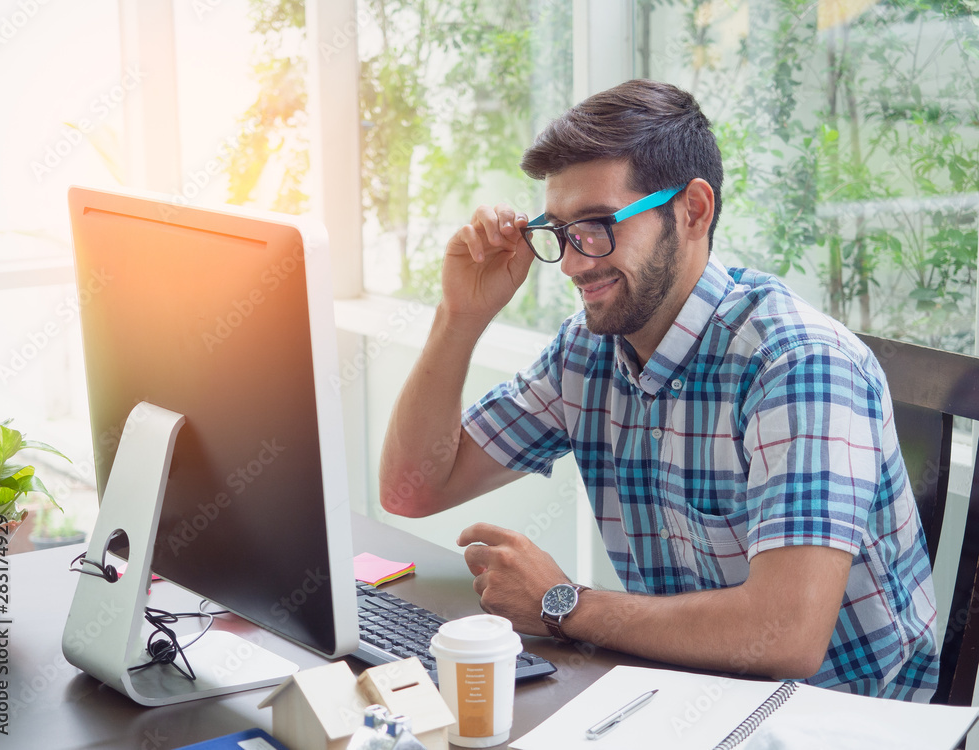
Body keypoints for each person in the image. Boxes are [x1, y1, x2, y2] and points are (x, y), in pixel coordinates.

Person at [378, 78, 938, 701]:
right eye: (559, 232)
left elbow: (786, 636)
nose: (572, 263)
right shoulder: (588, 351)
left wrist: (561, 604)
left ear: (693, 211)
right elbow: (411, 488)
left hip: (841, 722)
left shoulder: (799, 365)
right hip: (685, 696)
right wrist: (460, 318)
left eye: (596, 225)